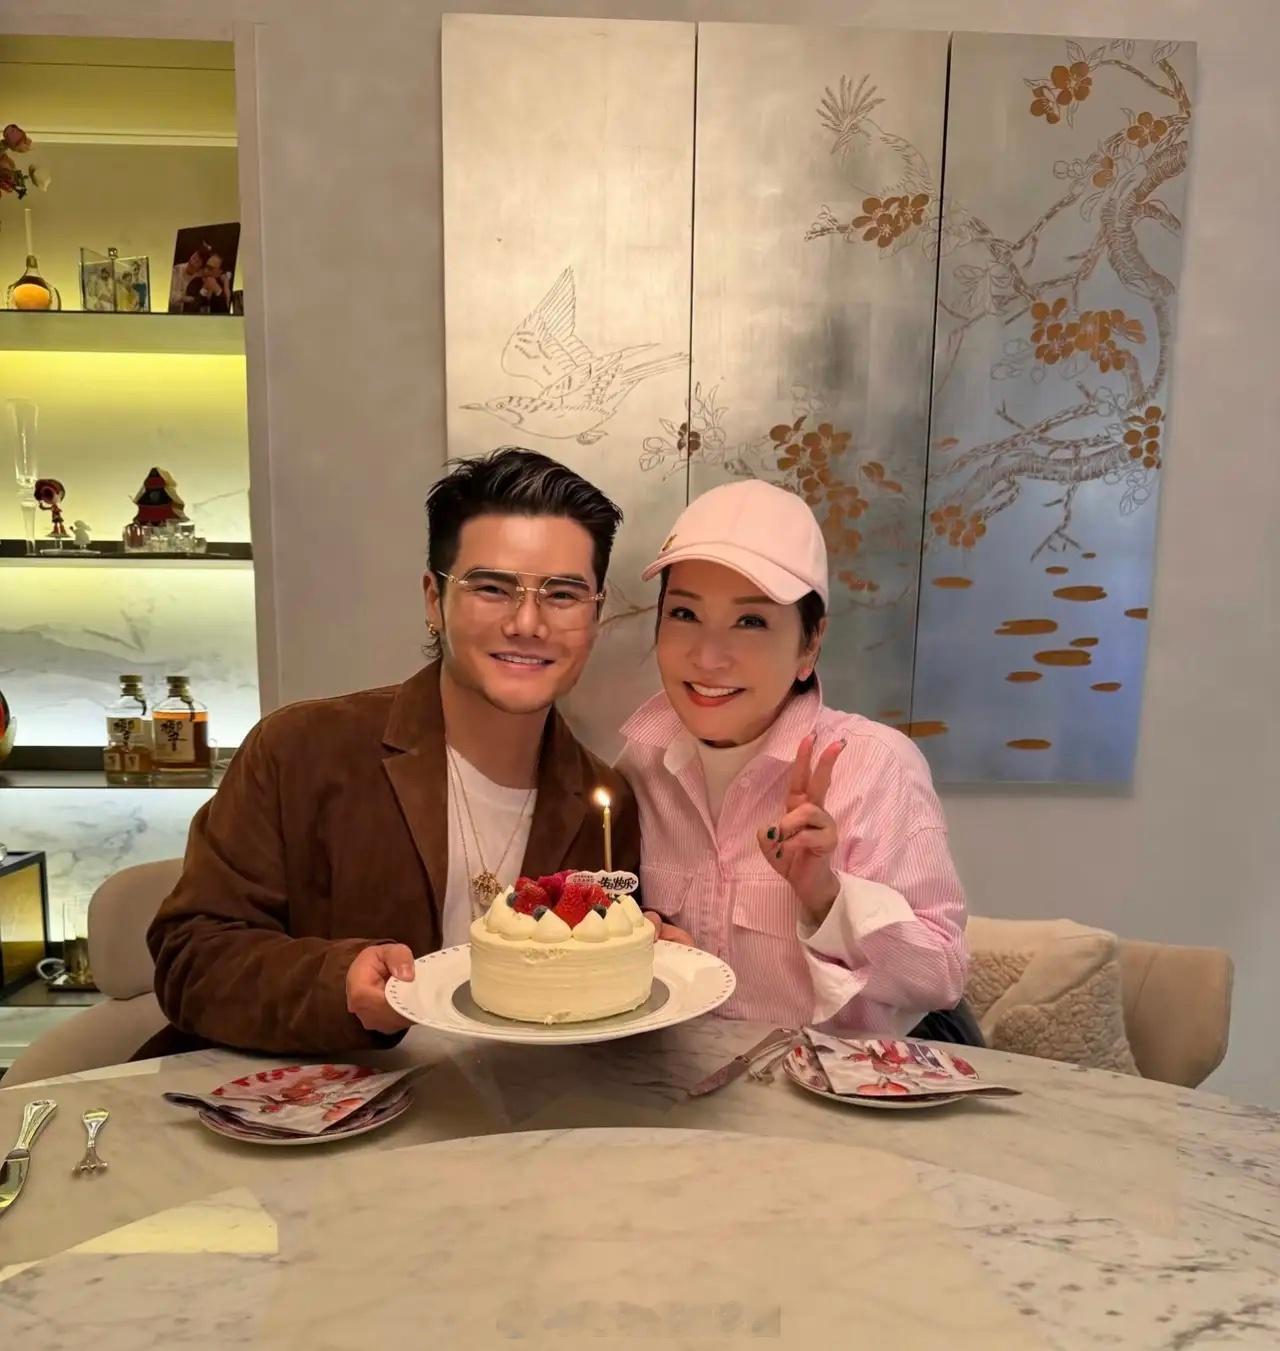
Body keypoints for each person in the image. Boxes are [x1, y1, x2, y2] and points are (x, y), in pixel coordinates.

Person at [146, 447, 639, 1054]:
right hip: (317, 1102)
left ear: (595, 616)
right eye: (492, 588)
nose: (527, 623)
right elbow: (191, 958)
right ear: (434, 600)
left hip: (511, 1105)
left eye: (562, 595)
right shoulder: (301, 751)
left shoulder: (604, 805)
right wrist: (338, 985)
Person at [619, 479, 977, 1043]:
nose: (708, 656)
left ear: (810, 644)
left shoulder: (875, 767)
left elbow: (943, 976)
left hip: (842, 1088)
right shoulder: (640, 764)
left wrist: (826, 897)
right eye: (684, 613)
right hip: (690, 1080)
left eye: (751, 621)